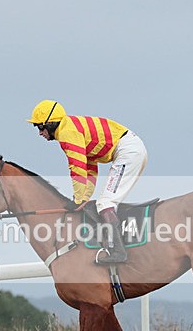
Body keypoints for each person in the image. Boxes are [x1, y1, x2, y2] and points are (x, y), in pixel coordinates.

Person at [27, 99, 148, 263]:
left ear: (50, 123)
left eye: (40, 127)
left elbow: (76, 167)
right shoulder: (69, 128)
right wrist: (84, 198)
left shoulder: (67, 133)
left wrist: (77, 200)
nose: (40, 133)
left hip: (128, 151)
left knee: (105, 203)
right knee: (103, 202)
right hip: (130, 148)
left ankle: (118, 252)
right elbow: (89, 167)